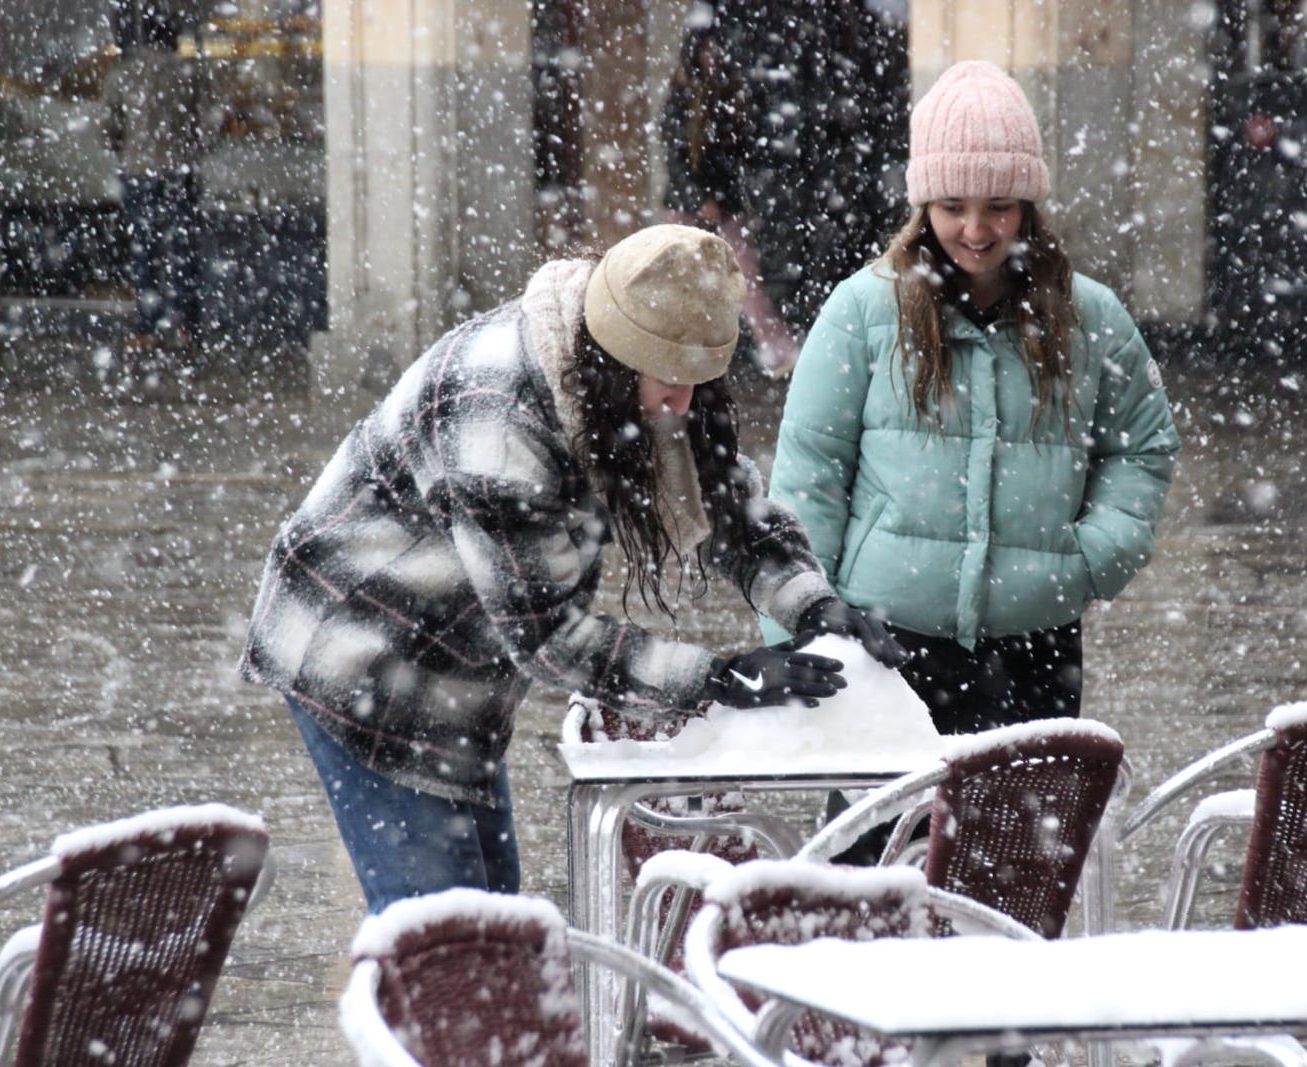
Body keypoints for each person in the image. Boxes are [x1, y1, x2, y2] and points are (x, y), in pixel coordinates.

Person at [240, 224, 908, 912]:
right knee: (446, 926)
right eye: (669, 381)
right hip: (360, 651)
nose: (682, 403)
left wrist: (810, 602)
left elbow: (724, 505)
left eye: (698, 382)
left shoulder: (626, 363)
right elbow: (550, 637)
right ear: (617, 361)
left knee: (495, 909)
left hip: (462, 661)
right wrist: (715, 678)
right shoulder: (497, 421)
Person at [767, 61, 1180, 810]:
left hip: (1035, 648)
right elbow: (809, 475)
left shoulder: (1092, 318)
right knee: (875, 855)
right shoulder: (861, 312)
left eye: (999, 207)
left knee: (1021, 857)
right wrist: (797, 624)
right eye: (953, 207)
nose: (977, 230)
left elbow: (1142, 448)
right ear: (923, 205)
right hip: (885, 645)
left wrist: (1090, 561)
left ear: (1029, 207)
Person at [659, 18, 799, 376]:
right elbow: (675, 158)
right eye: (707, 50)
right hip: (689, 204)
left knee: (746, 275)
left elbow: (738, 152)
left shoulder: (729, 92)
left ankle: (774, 348)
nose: (714, 57)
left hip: (724, 202)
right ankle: (673, 351)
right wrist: (700, 197)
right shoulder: (682, 96)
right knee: (684, 279)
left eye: (717, 50)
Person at [101, 9, 202, 348]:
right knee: (182, 247)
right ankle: (186, 325)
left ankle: (148, 326)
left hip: (138, 169)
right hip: (179, 168)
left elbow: (108, 126)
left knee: (144, 248)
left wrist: (123, 149)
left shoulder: (125, 74)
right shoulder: (188, 74)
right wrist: (192, 151)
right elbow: (208, 121)